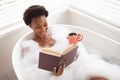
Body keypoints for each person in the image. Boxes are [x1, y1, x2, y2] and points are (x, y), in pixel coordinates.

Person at [22, 5, 110, 80]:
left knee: (100, 77)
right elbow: (33, 74)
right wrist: (54, 75)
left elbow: (78, 51)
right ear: (30, 26)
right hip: (61, 76)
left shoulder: (57, 34)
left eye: (45, 24)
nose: (43, 29)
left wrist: (75, 48)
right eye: (38, 27)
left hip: (77, 67)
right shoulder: (31, 47)